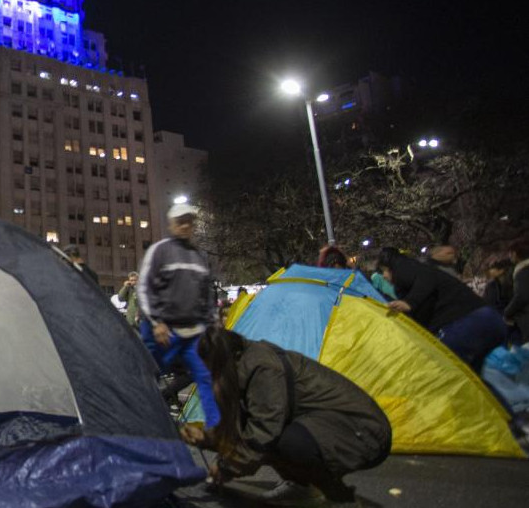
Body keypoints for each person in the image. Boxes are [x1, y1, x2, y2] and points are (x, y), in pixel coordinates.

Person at [182, 327, 391, 507]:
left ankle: (340, 498)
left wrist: (227, 467)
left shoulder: (262, 368)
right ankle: (301, 487)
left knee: (284, 441)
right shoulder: (241, 366)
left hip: (365, 432)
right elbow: (240, 427)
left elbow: (263, 433)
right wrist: (207, 438)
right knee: (272, 436)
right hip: (331, 425)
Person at [137, 202, 220, 427]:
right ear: (171, 224)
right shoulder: (160, 251)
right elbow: (144, 288)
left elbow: (207, 295)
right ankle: (141, 423)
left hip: (193, 333)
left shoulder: (199, 257)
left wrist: (212, 323)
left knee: (204, 376)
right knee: (147, 377)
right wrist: (156, 322)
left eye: (189, 222)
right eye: (180, 221)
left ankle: (216, 429)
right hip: (162, 331)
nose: (185, 225)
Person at [379, 249, 505, 372]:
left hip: (463, 324)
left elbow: (427, 278)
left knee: (444, 374)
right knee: (471, 380)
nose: (384, 276)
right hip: (489, 318)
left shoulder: (411, 270)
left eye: (385, 271)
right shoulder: (424, 273)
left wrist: (410, 302)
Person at [506, 239, 529, 345]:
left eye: (510, 253)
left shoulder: (523, 272)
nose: (509, 256)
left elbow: (522, 296)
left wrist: (507, 312)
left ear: (515, 254)